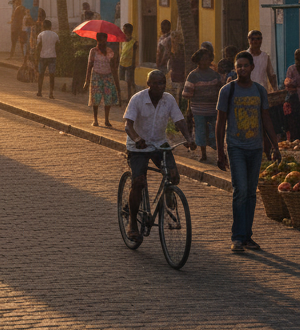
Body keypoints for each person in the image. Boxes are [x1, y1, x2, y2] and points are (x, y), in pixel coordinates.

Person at [216, 50, 280, 254]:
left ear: (252, 67)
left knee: (251, 193)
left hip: (255, 147)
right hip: (236, 147)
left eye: (245, 65)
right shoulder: (228, 90)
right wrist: (220, 152)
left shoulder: (260, 91)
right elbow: (220, 123)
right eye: (239, 66)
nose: (242, 69)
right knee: (240, 190)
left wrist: (275, 146)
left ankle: (247, 236)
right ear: (235, 69)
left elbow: (267, 119)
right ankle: (237, 237)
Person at [123, 70, 195, 243]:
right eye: (155, 83)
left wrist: (189, 138)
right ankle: (132, 222)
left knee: (173, 176)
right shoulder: (137, 99)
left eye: (162, 82)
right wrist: (137, 139)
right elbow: (128, 125)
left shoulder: (168, 99)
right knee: (139, 182)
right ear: (148, 84)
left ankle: (169, 192)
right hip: (138, 147)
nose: (159, 86)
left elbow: (179, 120)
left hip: (160, 144)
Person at [181, 48, 223, 162]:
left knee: (215, 130)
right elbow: (186, 93)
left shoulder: (215, 75)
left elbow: (221, 89)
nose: (205, 61)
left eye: (207, 59)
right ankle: (203, 154)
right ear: (198, 61)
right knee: (201, 131)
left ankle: (219, 153)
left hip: (214, 109)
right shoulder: (193, 75)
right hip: (198, 110)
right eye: (203, 59)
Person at [83, 32, 119, 127]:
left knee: (108, 98)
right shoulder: (93, 51)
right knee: (96, 98)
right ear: (97, 40)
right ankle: (95, 119)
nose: (103, 42)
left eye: (105, 40)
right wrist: (87, 80)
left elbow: (113, 66)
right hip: (96, 76)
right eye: (101, 40)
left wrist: (116, 81)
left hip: (108, 76)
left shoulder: (110, 51)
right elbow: (89, 65)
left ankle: (106, 119)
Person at [35, 19, 58, 98]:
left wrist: (36, 57)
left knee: (41, 74)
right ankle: (51, 93)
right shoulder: (55, 35)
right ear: (51, 26)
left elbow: (38, 46)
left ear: (43, 26)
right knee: (52, 75)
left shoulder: (41, 35)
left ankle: (39, 92)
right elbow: (58, 45)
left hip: (43, 57)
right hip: (52, 57)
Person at [119, 23, 137, 101]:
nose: (124, 31)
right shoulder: (122, 40)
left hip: (130, 64)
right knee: (121, 80)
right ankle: (122, 96)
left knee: (129, 81)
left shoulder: (134, 42)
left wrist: (133, 64)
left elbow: (135, 54)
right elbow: (121, 51)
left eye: (125, 29)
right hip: (122, 62)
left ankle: (130, 96)